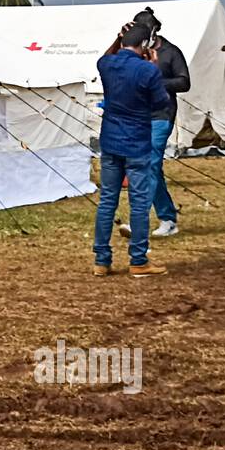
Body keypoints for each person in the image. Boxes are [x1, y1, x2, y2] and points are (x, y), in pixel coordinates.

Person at [93, 22, 170, 277]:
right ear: (145, 46)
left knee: (107, 202)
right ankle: (138, 259)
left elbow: (106, 56)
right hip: (136, 141)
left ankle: (101, 261)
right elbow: (161, 102)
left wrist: (118, 38)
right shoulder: (148, 71)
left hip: (110, 140)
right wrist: (155, 67)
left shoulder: (106, 64)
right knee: (138, 203)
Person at [119, 7, 190, 240]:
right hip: (139, 115)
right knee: (152, 168)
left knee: (149, 163)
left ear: (154, 31)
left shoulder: (171, 52)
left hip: (162, 115)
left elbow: (184, 82)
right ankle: (168, 218)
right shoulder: (135, 52)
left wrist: (156, 81)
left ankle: (137, 221)